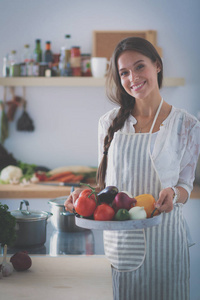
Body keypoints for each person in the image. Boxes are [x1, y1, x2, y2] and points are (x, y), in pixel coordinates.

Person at [65, 37, 200, 300]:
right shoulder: (109, 123)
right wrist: (83, 196)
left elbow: (186, 184)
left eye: (139, 67)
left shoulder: (187, 124)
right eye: (124, 72)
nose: (132, 77)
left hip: (167, 241)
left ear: (157, 66)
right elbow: (105, 188)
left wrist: (174, 193)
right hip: (123, 240)